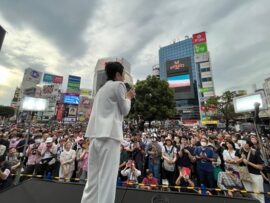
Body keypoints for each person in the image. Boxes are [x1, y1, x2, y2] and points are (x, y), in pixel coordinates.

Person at [81, 62, 135, 203]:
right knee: (107, 180)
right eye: (123, 74)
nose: (123, 77)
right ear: (118, 74)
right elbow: (125, 110)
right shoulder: (119, 85)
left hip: (95, 137)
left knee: (92, 181)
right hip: (110, 137)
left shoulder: (101, 89)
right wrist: (129, 97)